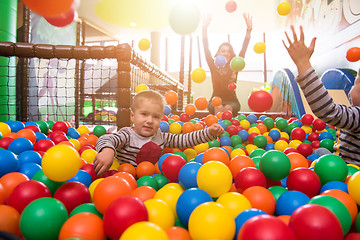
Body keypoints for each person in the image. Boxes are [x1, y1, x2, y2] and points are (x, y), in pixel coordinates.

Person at [94, 90, 225, 176]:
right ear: (132, 116)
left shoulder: (160, 136)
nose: (150, 121)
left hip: (154, 181)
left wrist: (209, 132)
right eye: (144, 114)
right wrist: (107, 151)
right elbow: (106, 139)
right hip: (124, 178)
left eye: (156, 117)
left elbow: (184, 140)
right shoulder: (127, 135)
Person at [283, 25, 360, 165]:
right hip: (338, 163)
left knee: (317, 155)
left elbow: (328, 110)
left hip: (348, 174)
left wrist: (303, 63)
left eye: (356, 83)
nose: (351, 89)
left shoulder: (358, 116)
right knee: (320, 152)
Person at [202, 13, 252, 116]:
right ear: (218, 53)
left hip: (232, 102)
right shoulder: (213, 66)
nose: (226, 53)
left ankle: (226, 131)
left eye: (228, 52)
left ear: (231, 54)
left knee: (227, 108)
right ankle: (217, 131)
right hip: (215, 101)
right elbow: (206, 49)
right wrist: (204, 29)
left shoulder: (235, 66)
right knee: (218, 107)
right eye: (223, 51)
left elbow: (243, 49)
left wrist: (249, 30)